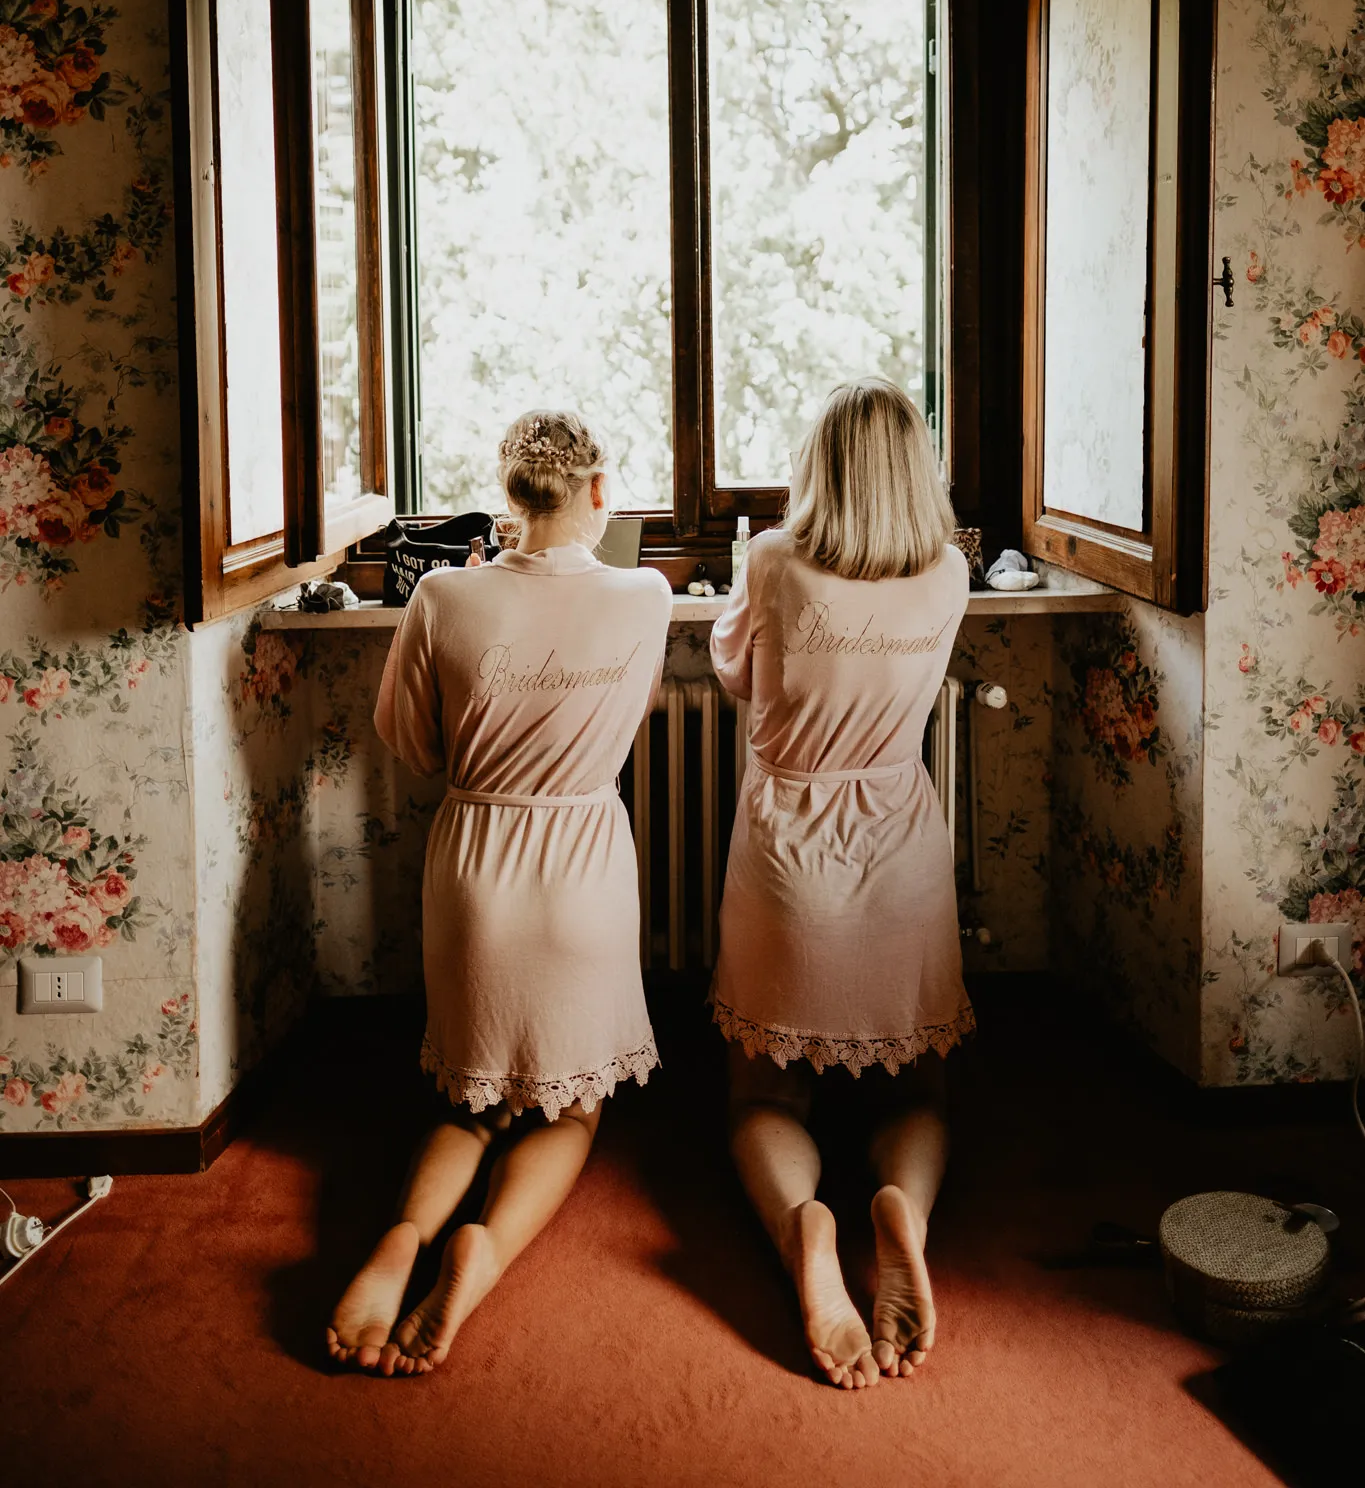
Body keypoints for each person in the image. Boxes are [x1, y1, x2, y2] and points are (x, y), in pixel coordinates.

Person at [328, 411, 671, 1376]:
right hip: (584, 865)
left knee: (466, 1096)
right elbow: (636, 712)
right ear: (598, 493)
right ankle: (485, 1252)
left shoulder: (442, 593)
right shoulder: (644, 593)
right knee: (570, 1112)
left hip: (476, 865)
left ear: (508, 498)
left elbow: (417, 742)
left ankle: (403, 1239)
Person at [709, 378, 972, 1392]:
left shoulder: (774, 562)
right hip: (900, 841)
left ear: (819, 465)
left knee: (761, 1091)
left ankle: (803, 1221)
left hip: (789, 851)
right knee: (921, 1083)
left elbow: (735, 672)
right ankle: (900, 1201)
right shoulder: (947, 570)